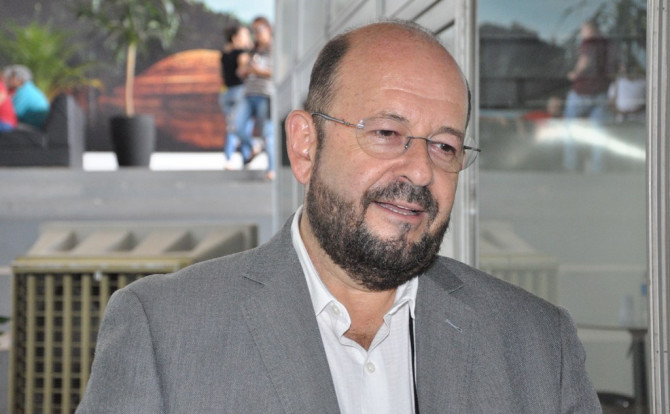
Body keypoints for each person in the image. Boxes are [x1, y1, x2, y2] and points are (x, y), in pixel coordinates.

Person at [77, 20, 601, 413]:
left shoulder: (538, 346)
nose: (421, 170)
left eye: (445, 146)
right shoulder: (163, 333)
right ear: (305, 146)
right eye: (386, 133)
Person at [563, 20, 613, 172]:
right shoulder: (606, 44)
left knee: (570, 130)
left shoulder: (588, 42)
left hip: (582, 92)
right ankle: (598, 170)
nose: (581, 34)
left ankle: (571, 167)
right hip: (600, 93)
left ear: (590, 30)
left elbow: (584, 60)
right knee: (599, 134)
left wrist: (575, 73)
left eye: (582, 30)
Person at [234, 16, 275, 180]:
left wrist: (256, 70)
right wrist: (244, 70)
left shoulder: (274, 48)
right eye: (254, 31)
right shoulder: (252, 50)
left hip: (265, 95)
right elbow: (242, 71)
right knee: (237, 126)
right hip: (248, 94)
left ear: (268, 29)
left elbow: (276, 72)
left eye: (259, 30)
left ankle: (271, 169)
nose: (256, 34)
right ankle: (254, 146)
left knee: (267, 133)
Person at [219, 23, 254, 169]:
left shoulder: (224, 52)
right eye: (244, 35)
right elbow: (243, 72)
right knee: (242, 125)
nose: (247, 37)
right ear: (235, 38)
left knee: (232, 125)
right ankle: (250, 150)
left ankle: (231, 157)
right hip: (240, 91)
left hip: (226, 92)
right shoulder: (242, 53)